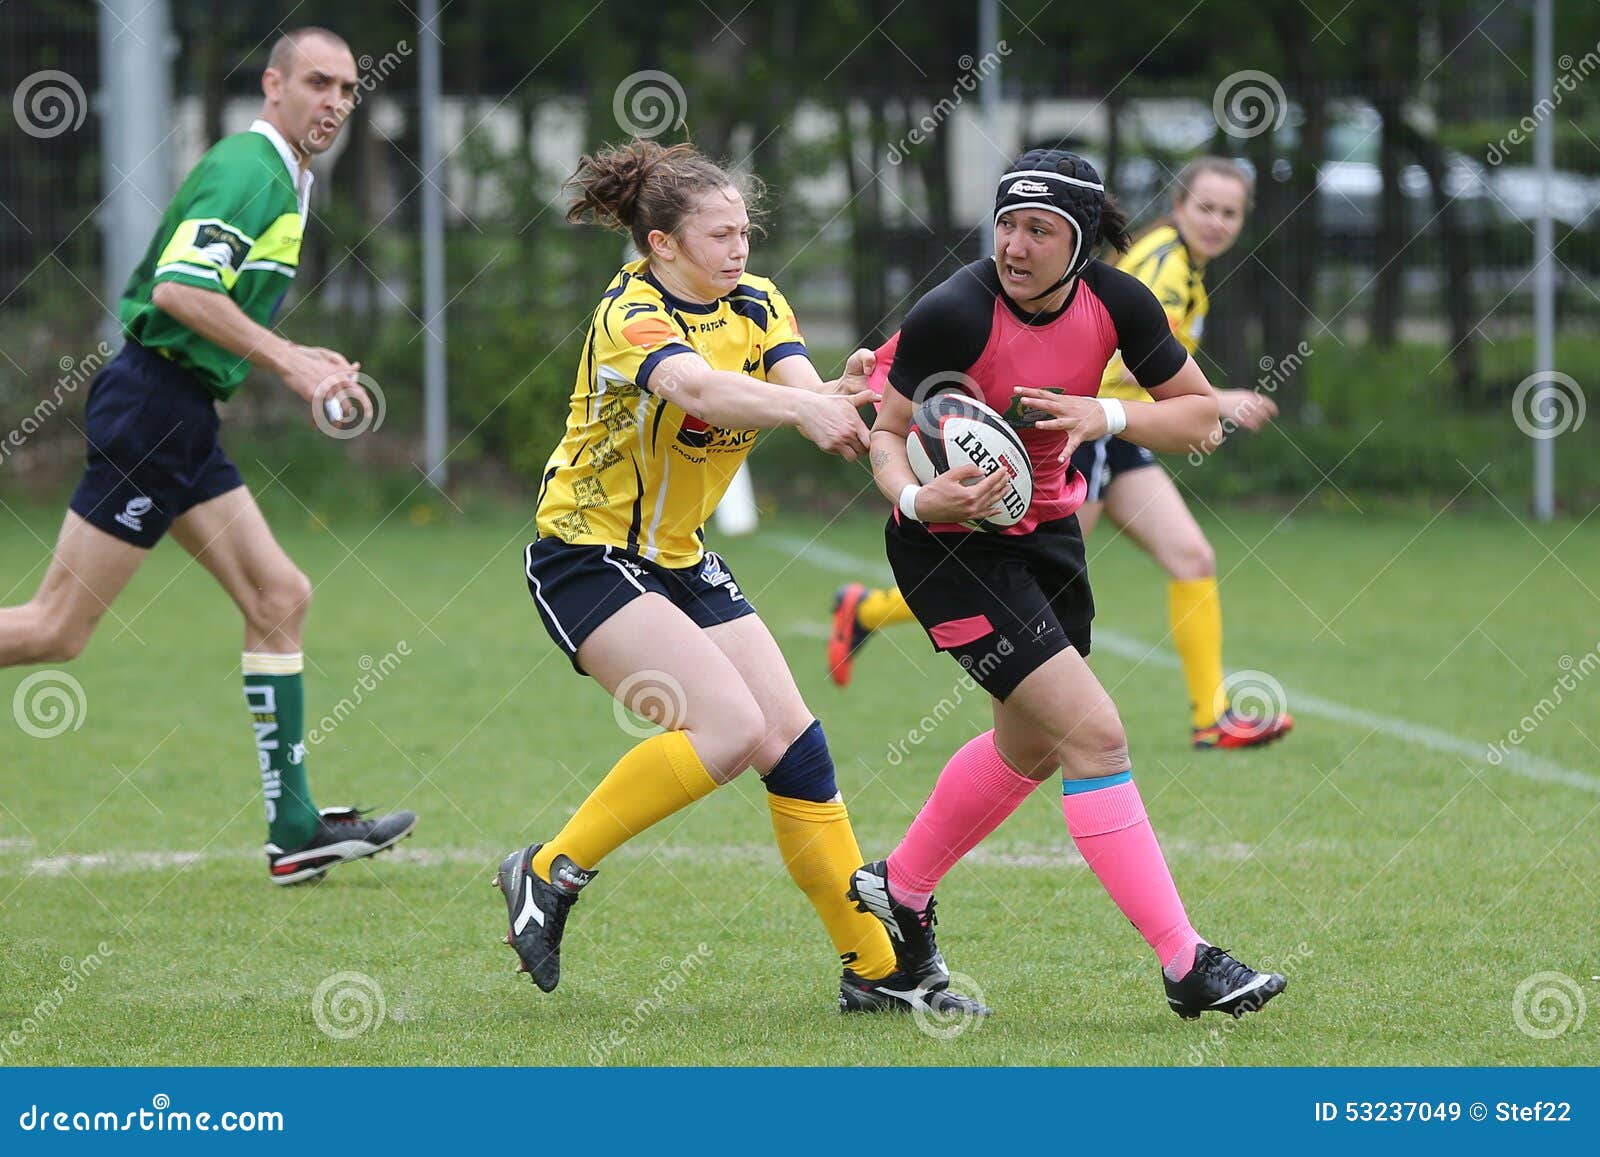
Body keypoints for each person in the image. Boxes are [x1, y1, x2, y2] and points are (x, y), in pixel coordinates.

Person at [493, 139, 985, 1016]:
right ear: (661, 245)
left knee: (793, 748)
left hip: (679, 557)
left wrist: (838, 393)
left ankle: (875, 967)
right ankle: (545, 871)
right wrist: (805, 407)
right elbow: (702, 392)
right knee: (725, 729)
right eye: (719, 235)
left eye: (745, 232)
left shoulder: (756, 303)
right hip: (585, 555)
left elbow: (794, 382)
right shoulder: (631, 312)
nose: (739, 249)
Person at [846, 149, 1288, 1019]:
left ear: (1080, 242)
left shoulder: (1120, 301)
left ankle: (897, 894)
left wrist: (1108, 413)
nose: (1016, 244)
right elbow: (886, 434)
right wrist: (913, 492)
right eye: (1007, 224)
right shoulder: (954, 311)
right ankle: (1186, 962)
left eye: (1039, 230)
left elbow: (1202, 419)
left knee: (1033, 748)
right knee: (1097, 737)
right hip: (949, 545)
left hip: (1046, 533)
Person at [0, 27, 415, 885]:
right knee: (54, 630)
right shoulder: (248, 170)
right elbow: (179, 291)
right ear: (274, 86)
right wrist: (291, 361)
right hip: (152, 407)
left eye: (346, 87)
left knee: (279, 594)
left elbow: (216, 302)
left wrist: (298, 353)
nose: (335, 100)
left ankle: (295, 828)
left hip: (181, 415)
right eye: (317, 83)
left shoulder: (286, 181)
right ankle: (294, 823)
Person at [829, 158, 1294, 752]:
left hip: (1111, 426)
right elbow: (1101, 352)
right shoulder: (1160, 267)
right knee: (1024, 557)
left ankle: (1211, 712)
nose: (1216, 222)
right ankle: (873, 609)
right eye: (1205, 207)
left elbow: (1173, 391)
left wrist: (1142, 410)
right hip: (1068, 429)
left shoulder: (1171, 274)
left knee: (1189, 556)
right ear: (1178, 207)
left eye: (1229, 213)